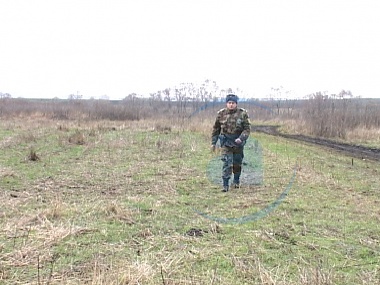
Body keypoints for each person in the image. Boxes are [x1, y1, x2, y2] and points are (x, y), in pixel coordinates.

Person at [211, 94, 251, 192]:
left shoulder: (243, 114)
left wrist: (241, 138)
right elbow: (216, 129)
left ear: (236, 104)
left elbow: (247, 129)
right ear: (226, 103)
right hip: (226, 142)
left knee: (237, 163)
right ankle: (225, 185)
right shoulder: (221, 114)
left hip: (238, 142)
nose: (231, 105)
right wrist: (213, 143)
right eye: (229, 103)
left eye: (233, 103)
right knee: (226, 163)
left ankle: (236, 181)